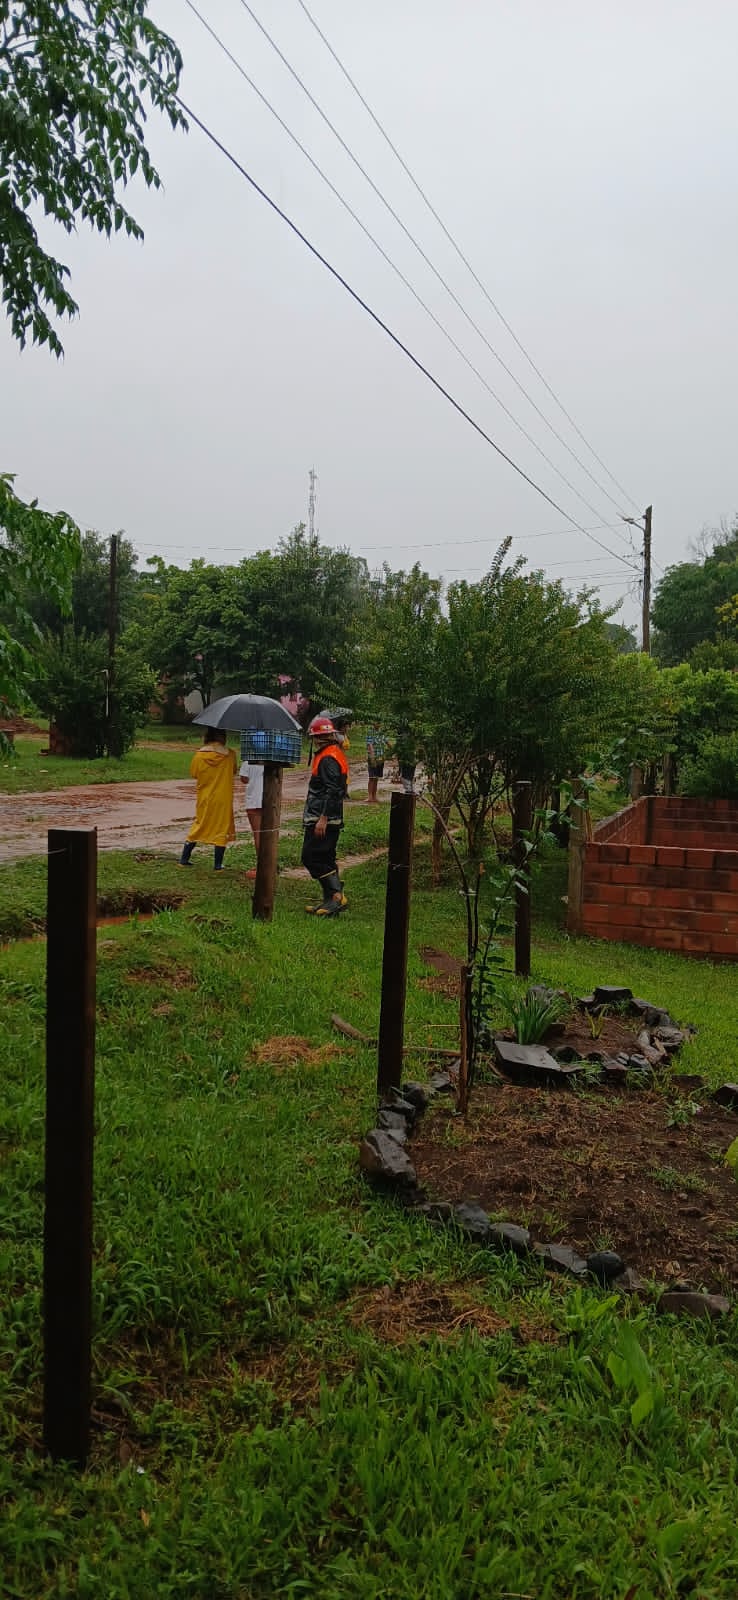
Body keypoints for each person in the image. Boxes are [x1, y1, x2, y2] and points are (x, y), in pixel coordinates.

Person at [302, 714, 349, 916]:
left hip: (323, 818)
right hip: (326, 816)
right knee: (326, 858)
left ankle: (336, 896)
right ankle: (330, 900)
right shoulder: (331, 753)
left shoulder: (329, 757)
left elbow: (333, 790)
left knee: (311, 857)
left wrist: (323, 818)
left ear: (320, 738)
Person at [179, 727, 237, 870]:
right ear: (222, 737)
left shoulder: (199, 755)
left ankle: (184, 859)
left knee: (200, 824)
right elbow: (234, 771)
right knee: (221, 828)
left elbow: (194, 773)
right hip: (223, 798)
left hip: (204, 797)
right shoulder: (230, 755)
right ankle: (217, 865)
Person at [238, 756, 263, 880]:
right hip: (270, 802)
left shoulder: (248, 760)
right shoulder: (275, 759)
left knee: (258, 835)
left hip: (254, 801)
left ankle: (261, 867)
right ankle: (270, 865)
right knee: (270, 834)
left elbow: (244, 779)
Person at [365, 724, 386, 803]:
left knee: (376, 777)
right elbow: (369, 745)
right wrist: (372, 756)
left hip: (381, 758)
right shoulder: (370, 732)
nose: (378, 724)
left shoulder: (382, 732)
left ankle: (374, 796)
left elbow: (386, 741)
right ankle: (370, 796)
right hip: (373, 758)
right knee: (372, 777)